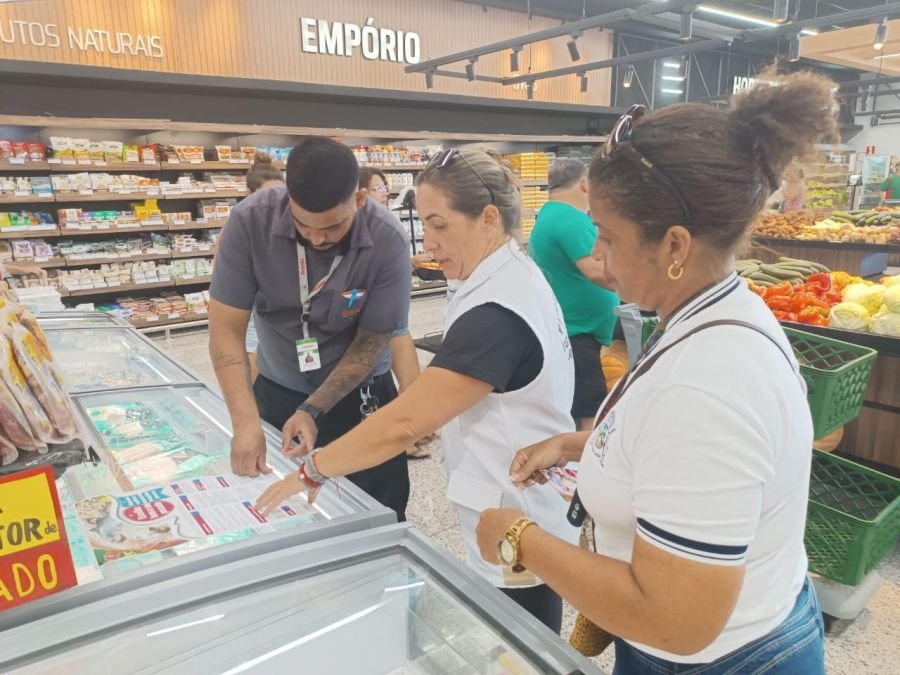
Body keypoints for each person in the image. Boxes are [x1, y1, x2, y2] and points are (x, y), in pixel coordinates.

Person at [475, 70, 832, 673]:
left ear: (673, 246)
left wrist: (520, 539)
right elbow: (693, 461)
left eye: (609, 239)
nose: (601, 262)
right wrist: (579, 445)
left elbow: (677, 618)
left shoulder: (709, 381)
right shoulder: (714, 314)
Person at [255, 148, 579, 632]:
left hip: (517, 513)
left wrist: (311, 473)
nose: (428, 243)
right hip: (515, 502)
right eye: (423, 225)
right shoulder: (507, 276)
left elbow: (405, 421)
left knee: (523, 640)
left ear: (488, 218)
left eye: (439, 225)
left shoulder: (498, 311)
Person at [209, 136, 411, 520]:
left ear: (360, 199)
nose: (317, 238)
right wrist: (245, 421)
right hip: (278, 390)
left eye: (333, 227)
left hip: (361, 398)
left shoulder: (389, 240)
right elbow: (225, 329)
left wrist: (313, 408)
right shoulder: (249, 222)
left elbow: (372, 344)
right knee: (282, 511)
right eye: (304, 225)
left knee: (376, 512)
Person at [529, 158, 620, 430]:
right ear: (584, 184)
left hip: (570, 329)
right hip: (579, 334)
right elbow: (597, 271)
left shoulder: (550, 213)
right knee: (589, 413)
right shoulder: (570, 217)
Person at [358, 166, 432, 459]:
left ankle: (408, 428)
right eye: (378, 188)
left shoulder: (386, 227)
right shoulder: (364, 229)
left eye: (385, 186)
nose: (384, 192)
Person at [242, 152, 286, 381]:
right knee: (255, 374)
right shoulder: (237, 228)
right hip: (253, 310)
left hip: (285, 314)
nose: (274, 203)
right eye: (266, 196)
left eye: (280, 195)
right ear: (249, 195)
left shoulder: (292, 224)